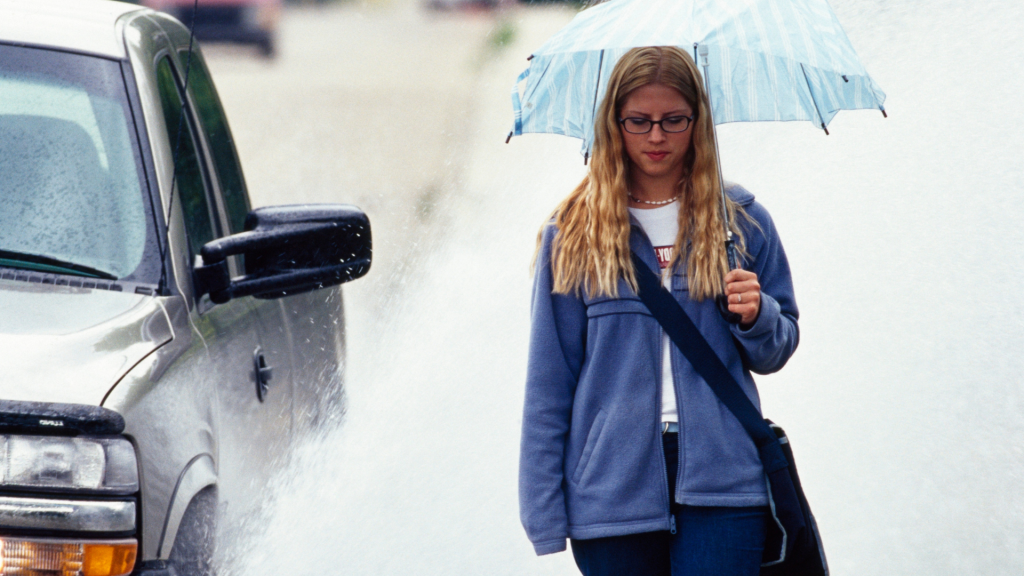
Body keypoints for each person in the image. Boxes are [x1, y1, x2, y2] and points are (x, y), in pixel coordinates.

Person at [519, 46, 800, 576]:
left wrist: (756, 313)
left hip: (725, 483)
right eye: (638, 121)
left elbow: (779, 345)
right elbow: (549, 383)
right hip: (610, 492)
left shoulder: (742, 221)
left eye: (673, 120)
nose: (655, 137)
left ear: (698, 122)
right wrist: (543, 512)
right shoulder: (573, 233)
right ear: (612, 125)